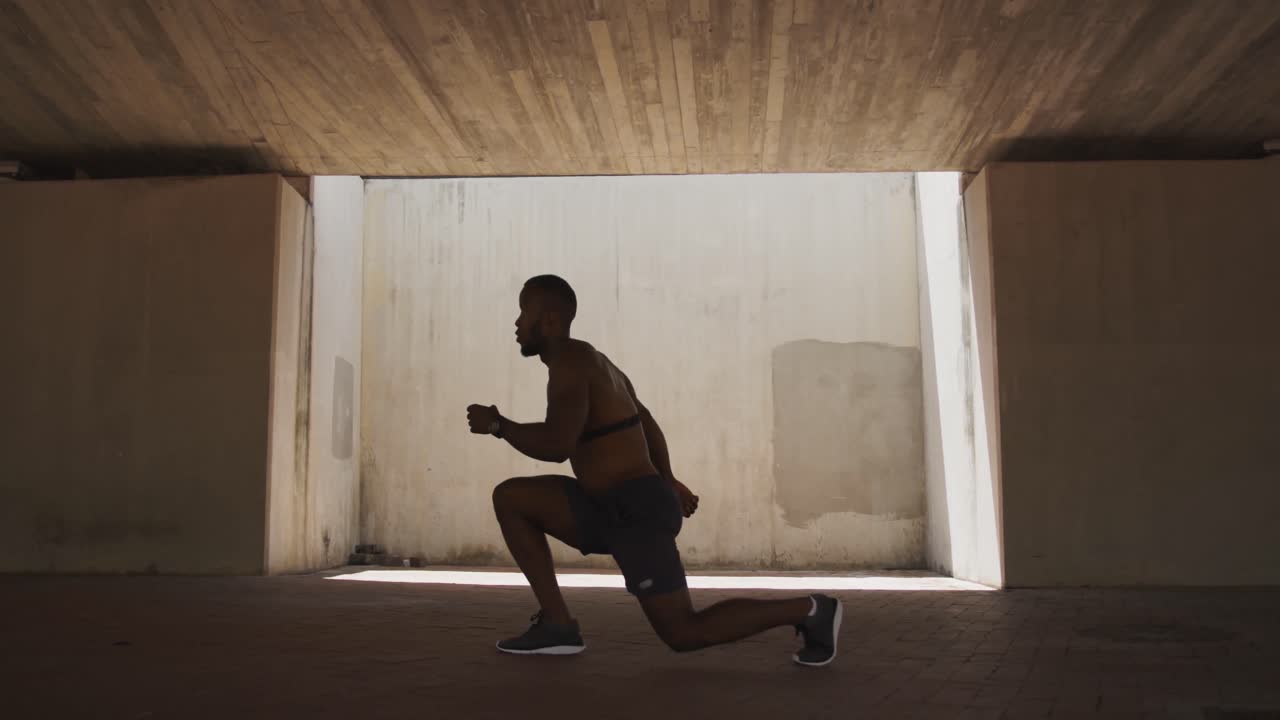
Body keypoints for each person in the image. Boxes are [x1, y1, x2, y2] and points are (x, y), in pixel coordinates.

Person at [466, 274, 842, 666]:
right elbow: (646, 422)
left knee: (683, 632)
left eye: (523, 311)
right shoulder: (597, 362)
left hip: (634, 511)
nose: (516, 322)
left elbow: (558, 445)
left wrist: (498, 426)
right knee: (512, 499)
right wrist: (667, 479)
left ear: (551, 319)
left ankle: (812, 611)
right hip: (606, 505)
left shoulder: (571, 362)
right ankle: (558, 625)